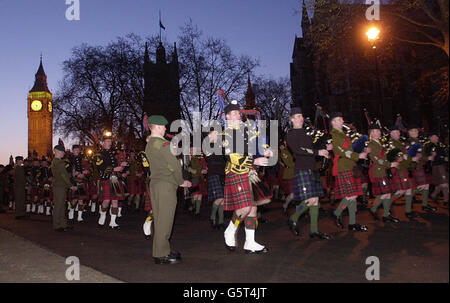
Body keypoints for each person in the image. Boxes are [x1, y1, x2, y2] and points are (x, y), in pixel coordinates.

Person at [222, 100, 273, 254]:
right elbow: (233, 157)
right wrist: (254, 160)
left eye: (239, 113)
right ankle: (230, 229)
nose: (239, 115)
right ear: (228, 117)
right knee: (245, 208)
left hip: (250, 171)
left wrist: (265, 151)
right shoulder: (225, 136)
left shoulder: (246, 132)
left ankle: (250, 242)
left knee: (253, 208)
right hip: (236, 172)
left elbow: (256, 146)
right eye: (235, 113)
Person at [145, 115, 191, 264]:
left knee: (159, 218)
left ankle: (161, 249)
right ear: (157, 127)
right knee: (165, 219)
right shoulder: (163, 144)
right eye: (164, 126)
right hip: (166, 184)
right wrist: (181, 181)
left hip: (156, 184)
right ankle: (161, 254)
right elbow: (175, 165)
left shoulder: (150, 143)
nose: (165, 128)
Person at [286, 107, 331, 239]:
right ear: (292, 119)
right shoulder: (291, 134)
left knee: (315, 200)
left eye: (301, 116)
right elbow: (298, 150)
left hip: (312, 168)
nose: (301, 118)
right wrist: (318, 152)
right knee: (311, 200)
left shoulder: (307, 133)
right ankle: (293, 218)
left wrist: (324, 147)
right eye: (298, 116)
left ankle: (314, 231)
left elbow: (312, 148)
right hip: (302, 169)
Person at [330, 112, 369, 232]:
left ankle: (352, 223)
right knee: (351, 195)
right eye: (339, 119)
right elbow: (340, 151)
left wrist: (362, 151)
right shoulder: (333, 135)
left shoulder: (344, 134)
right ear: (333, 122)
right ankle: (337, 212)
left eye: (342, 119)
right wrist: (358, 155)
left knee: (353, 196)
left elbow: (349, 149)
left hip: (350, 165)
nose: (342, 121)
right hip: (343, 166)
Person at [367, 123, 400, 223]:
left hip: (385, 170)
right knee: (384, 194)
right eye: (375, 131)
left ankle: (386, 215)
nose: (378, 132)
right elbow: (377, 159)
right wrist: (390, 165)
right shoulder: (370, 145)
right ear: (371, 133)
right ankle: (373, 209)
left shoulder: (382, 143)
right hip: (378, 171)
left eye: (378, 130)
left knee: (388, 193)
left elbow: (387, 156)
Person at [96, 132, 127, 229]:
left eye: (110, 141)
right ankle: (102, 215)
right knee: (106, 200)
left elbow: (117, 165)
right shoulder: (99, 154)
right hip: (106, 178)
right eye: (107, 141)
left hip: (115, 179)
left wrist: (122, 167)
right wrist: (114, 169)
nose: (109, 143)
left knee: (115, 201)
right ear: (103, 143)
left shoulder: (114, 153)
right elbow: (101, 167)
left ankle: (112, 223)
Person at [388, 126, 418, 219]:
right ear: (391, 134)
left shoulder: (400, 142)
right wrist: (410, 158)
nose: (398, 134)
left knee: (408, 189)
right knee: (401, 190)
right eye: (395, 132)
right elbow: (399, 157)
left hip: (404, 167)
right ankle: (387, 203)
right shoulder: (392, 143)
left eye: (398, 132)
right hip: (399, 169)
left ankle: (408, 211)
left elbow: (405, 154)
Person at [406, 125, 436, 213]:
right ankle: (409, 195)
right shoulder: (409, 142)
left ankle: (425, 205)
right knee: (422, 185)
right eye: (412, 131)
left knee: (426, 185)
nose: (415, 132)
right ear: (409, 133)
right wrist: (427, 158)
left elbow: (422, 154)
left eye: (416, 131)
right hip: (415, 166)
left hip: (422, 165)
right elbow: (414, 156)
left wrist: (429, 156)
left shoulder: (419, 141)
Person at [51, 145, 77, 232]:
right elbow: (64, 175)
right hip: (60, 186)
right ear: (56, 151)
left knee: (61, 206)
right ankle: (57, 225)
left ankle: (62, 224)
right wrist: (70, 185)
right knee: (59, 206)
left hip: (59, 186)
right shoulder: (59, 162)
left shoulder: (55, 161)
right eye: (61, 151)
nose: (63, 153)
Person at [204, 125, 226, 229]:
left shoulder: (220, 145)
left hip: (222, 173)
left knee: (222, 199)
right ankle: (212, 217)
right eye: (216, 134)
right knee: (219, 198)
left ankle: (221, 221)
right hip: (214, 173)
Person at [428, 133, 448, 206]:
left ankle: (436, 196)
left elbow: (444, 154)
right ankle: (444, 200)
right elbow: (433, 157)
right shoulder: (430, 146)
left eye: (436, 136)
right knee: (445, 183)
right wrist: (442, 157)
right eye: (434, 137)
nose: (436, 138)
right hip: (437, 166)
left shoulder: (439, 145)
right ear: (430, 138)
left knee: (445, 183)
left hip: (442, 165)